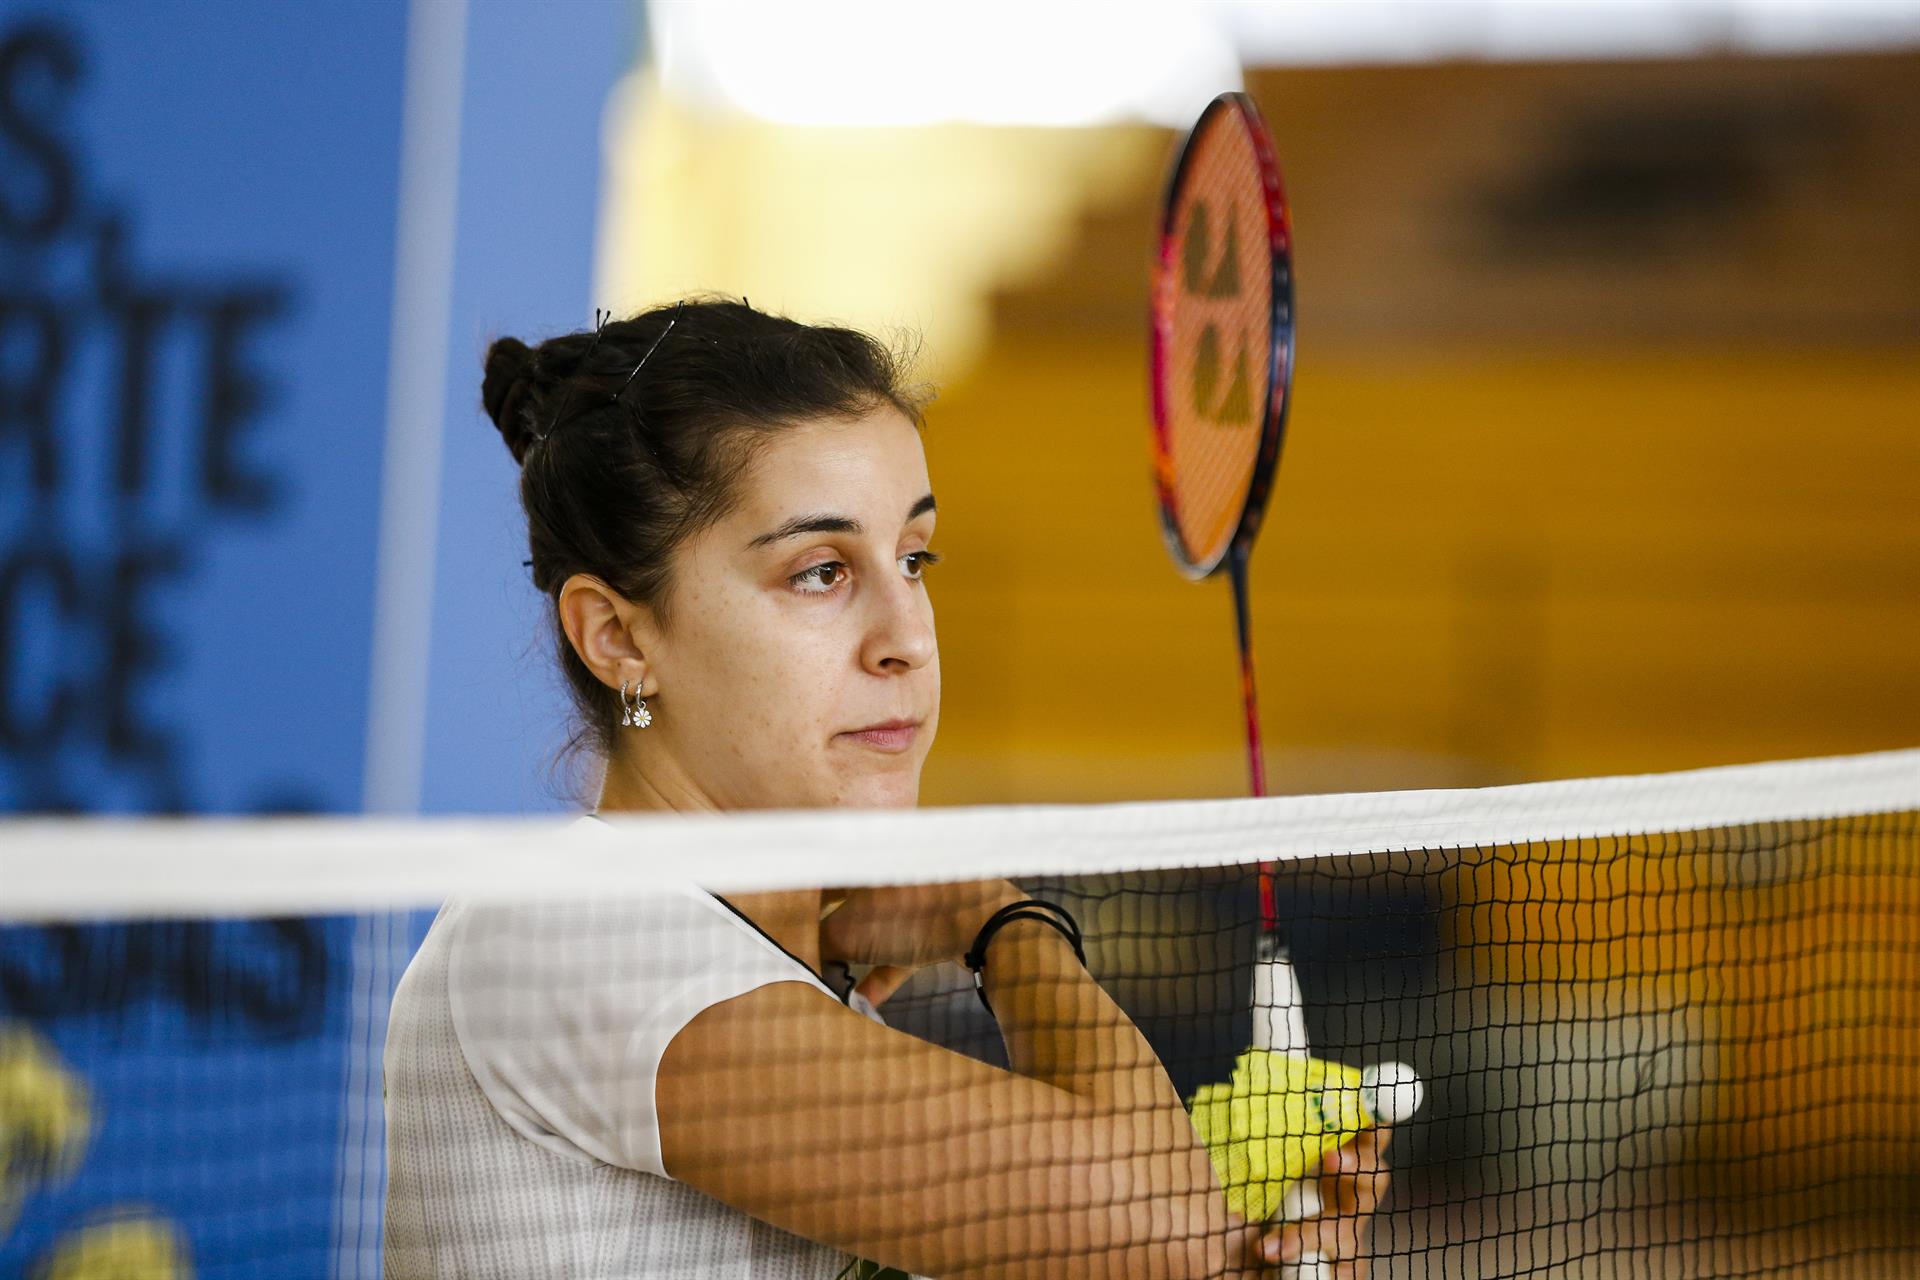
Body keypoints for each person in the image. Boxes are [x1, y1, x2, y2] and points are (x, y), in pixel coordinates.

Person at [382, 299, 1390, 1279]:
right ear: (621, 636)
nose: (906, 636)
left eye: (914, 557)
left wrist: (1248, 1261)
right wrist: (991, 912)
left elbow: (1161, 1244)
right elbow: (1156, 1224)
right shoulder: (580, 933)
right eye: (820, 570)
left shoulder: (801, 988)